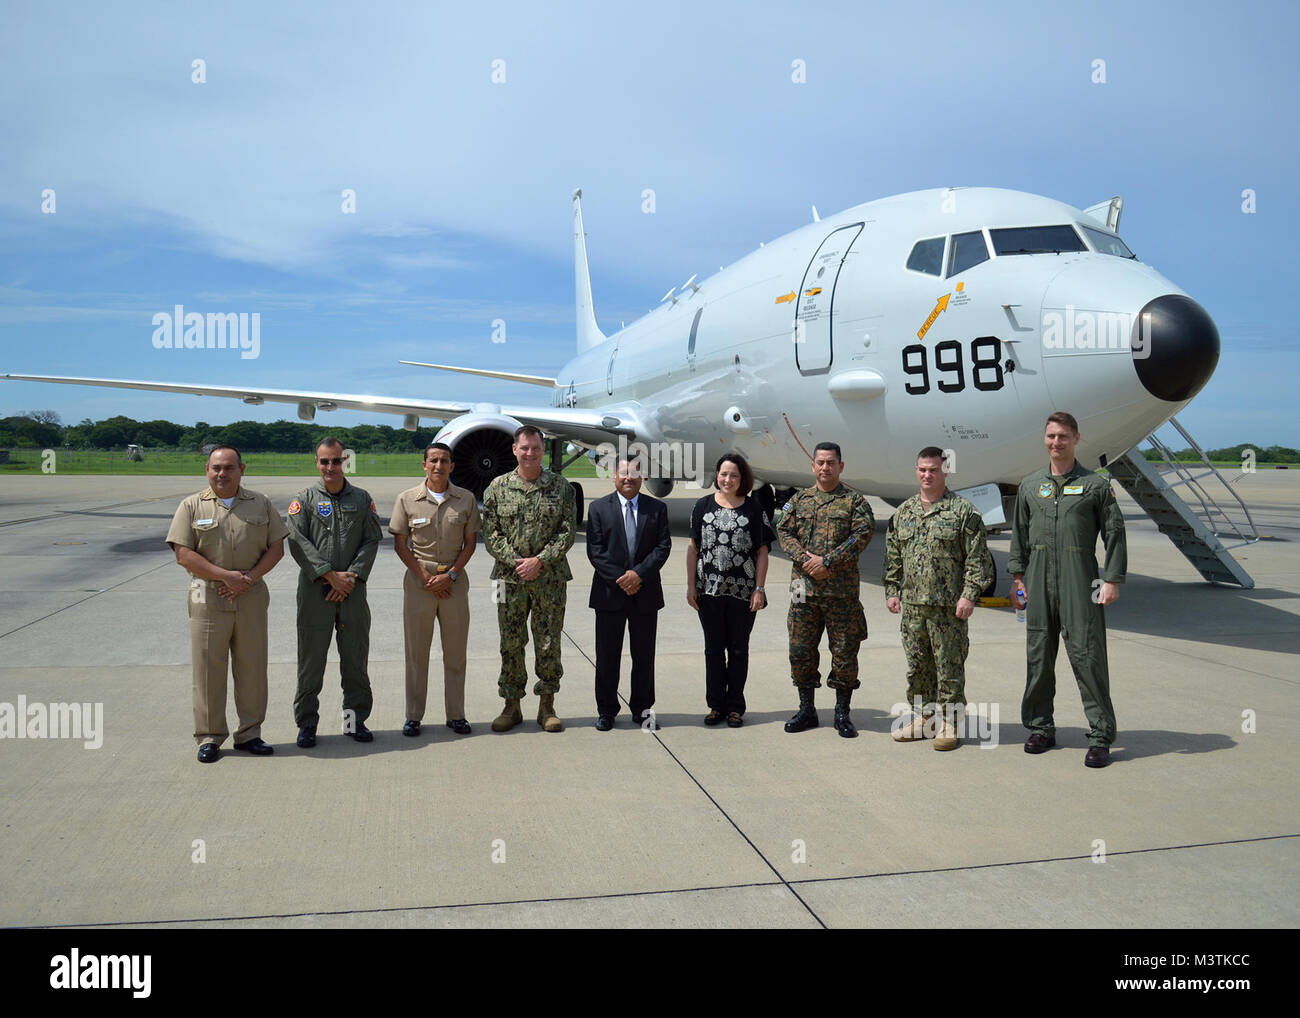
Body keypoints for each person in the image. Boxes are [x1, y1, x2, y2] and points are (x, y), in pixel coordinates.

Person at [1009, 411, 1127, 768]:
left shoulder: (1095, 486)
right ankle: (1041, 727)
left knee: (1088, 656)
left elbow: (1115, 533)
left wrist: (1112, 580)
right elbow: (1020, 537)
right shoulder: (1030, 486)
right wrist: (1017, 578)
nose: (1056, 442)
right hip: (1039, 579)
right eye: (1050, 436)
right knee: (1039, 656)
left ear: (1076, 439)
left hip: (1082, 580)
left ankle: (1101, 735)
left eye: (1062, 436)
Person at [165, 445, 287, 763]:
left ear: (242, 469)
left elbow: (276, 547)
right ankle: (209, 736)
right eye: (216, 468)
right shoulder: (191, 506)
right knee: (208, 670)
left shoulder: (260, 504)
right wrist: (225, 577)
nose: (222, 474)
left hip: (251, 594)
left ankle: (250, 734)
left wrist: (248, 579)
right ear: (207, 470)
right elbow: (183, 553)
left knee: (252, 668)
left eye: (229, 467)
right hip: (207, 596)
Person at [883, 447, 992, 750]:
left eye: (933, 469)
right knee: (918, 667)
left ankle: (949, 723)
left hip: (949, 609)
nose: (927, 475)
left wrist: (969, 595)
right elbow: (893, 556)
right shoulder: (904, 513)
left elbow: (977, 560)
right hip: (914, 608)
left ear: (945, 471)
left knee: (949, 668)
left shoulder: (963, 512)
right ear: (916, 471)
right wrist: (892, 590)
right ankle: (924, 717)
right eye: (922, 469)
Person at [286, 437, 384, 748]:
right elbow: (297, 540)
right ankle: (307, 725)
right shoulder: (304, 499)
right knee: (311, 663)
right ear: (317, 462)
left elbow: (371, 539)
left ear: (345, 461)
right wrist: (329, 576)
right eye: (325, 461)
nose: (331, 467)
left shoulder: (361, 498)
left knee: (354, 660)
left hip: (352, 593)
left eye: (337, 461)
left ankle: (354, 722)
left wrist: (351, 577)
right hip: (316, 592)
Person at [480, 425, 576, 733]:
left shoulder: (562, 488)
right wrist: (516, 561)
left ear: (543, 450)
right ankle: (511, 705)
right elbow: (491, 533)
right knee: (510, 641)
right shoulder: (496, 488)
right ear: (514, 450)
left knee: (548, 641)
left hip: (550, 578)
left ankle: (547, 705)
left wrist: (540, 561)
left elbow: (567, 532)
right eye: (524, 448)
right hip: (507, 580)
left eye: (535, 448)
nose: (530, 453)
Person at [776, 442, 874, 737]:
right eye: (820, 462)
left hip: (840, 593)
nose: (825, 467)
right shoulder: (799, 500)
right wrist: (807, 560)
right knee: (800, 651)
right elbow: (783, 530)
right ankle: (806, 710)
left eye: (831, 462)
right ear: (813, 466)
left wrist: (829, 560)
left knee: (844, 653)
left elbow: (863, 533)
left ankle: (842, 713)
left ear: (840, 466)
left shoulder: (854, 501)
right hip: (802, 590)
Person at [390, 442, 480, 737]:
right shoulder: (407, 499)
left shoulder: (465, 499)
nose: (438, 466)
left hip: (454, 582)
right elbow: (401, 544)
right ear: (424, 465)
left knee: (455, 653)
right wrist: (426, 578)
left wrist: (451, 575)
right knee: (417, 654)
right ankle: (414, 716)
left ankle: (456, 714)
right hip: (419, 584)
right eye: (433, 460)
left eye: (444, 461)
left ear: (452, 466)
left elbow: (470, 544)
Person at [686, 452, 773, 727]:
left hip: (743, 594)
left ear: (742, 479)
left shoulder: (754, 509)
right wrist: (691, 586)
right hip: (708, 593)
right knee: (712, 650)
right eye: (723, 474)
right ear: (717, 476)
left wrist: (759, 588)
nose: (728, 479)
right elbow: (693, 549)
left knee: (738, 650)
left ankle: (735, 706)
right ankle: (715, 706)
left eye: (733, 475)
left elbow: (762, 552)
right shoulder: (702, 506)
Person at [586, 457, 672, 730]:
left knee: (644, 656)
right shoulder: (598, 508)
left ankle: (643, 711)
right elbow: (596, 551)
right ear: (613, 476)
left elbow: (663, 547)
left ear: (643, 478)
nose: (628, 478)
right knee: (607, 655)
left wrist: (638, 575)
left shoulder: (656, 509)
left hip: (645, 594)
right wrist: (622, 579)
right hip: (610, 594)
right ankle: (606, 711)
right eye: (623, 473)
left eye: (635, 474)